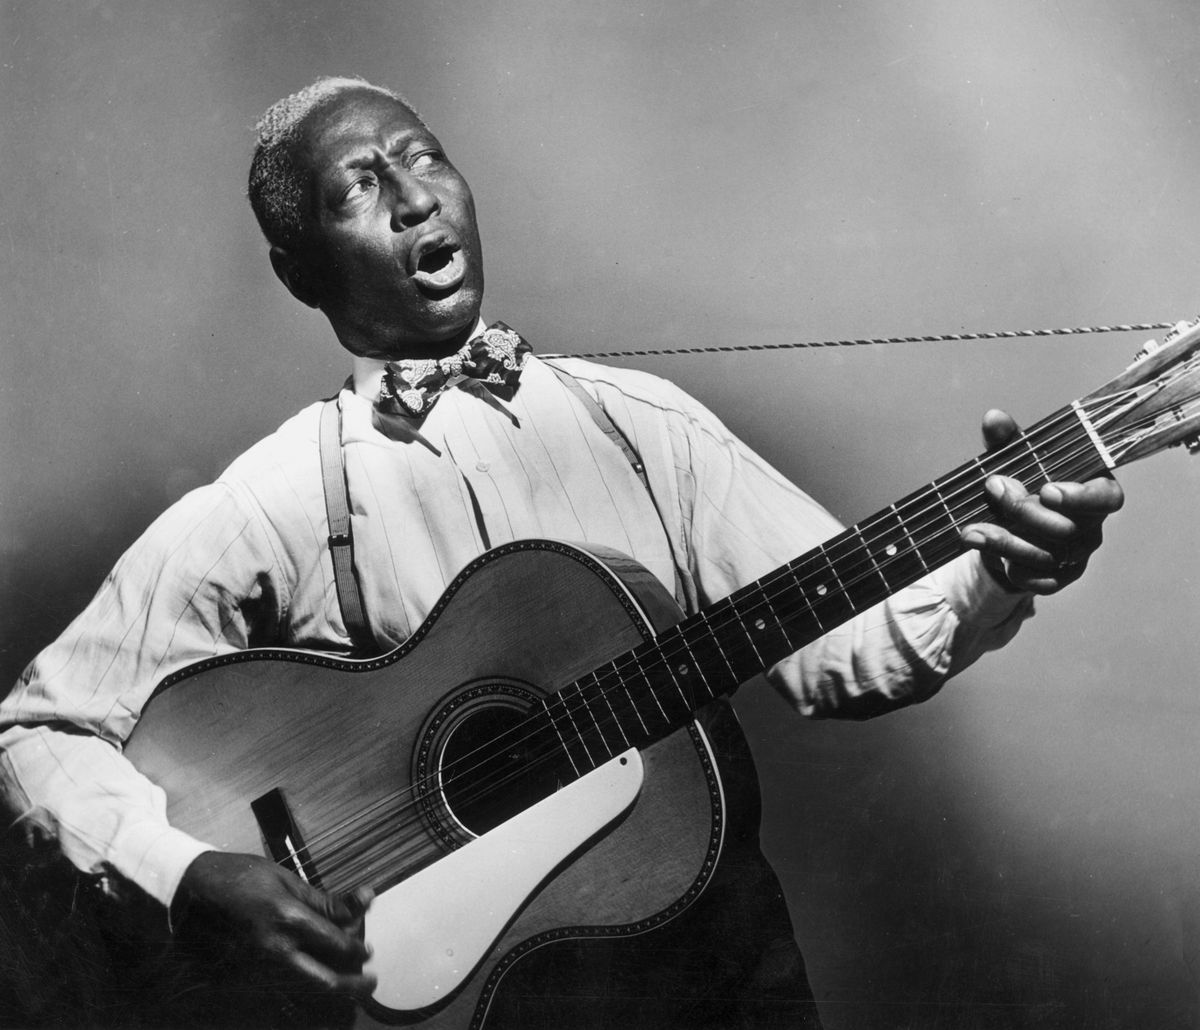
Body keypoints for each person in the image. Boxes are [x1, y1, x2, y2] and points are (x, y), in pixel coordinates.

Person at [0, 76, 1123, 1029]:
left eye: (424, 159)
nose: (411, 199)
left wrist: (1001, 565)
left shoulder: (645, 426)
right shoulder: (276, 501)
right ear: (301, 270)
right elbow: (39, 731)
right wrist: (188, 871)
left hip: (718, 974)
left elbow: (851, 649)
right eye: (360, 187)